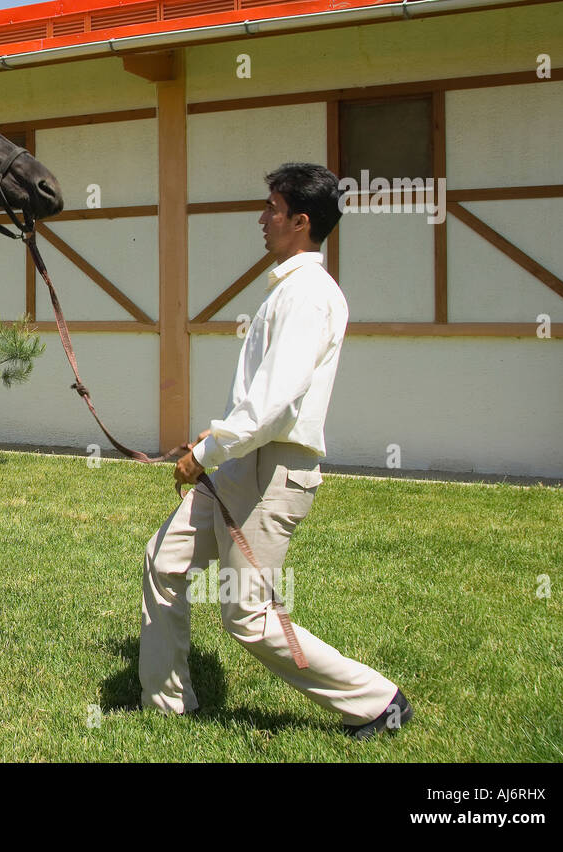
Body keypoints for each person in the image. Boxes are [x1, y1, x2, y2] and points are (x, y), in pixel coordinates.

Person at [139, 162, 411, 740]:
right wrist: (213, 446)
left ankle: (378, 700)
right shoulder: (289, 288)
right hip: (241, 461)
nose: (261, 218)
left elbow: (270, 406)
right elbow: (257, 406)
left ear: (300, 222)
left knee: (249, 617)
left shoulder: (310, 297)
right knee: (164, 561)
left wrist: (205, 451)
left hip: (271, 470)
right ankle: (165, 707)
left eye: (272, 208)